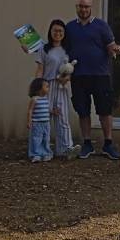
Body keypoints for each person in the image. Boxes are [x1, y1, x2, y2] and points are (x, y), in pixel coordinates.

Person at [65, 0, 120, 160]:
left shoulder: (101, 26)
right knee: (83, 111)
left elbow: (111, 45)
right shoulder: (70, 28)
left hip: (100, 75)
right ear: (77, 7)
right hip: (78, 76)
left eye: (86, 7)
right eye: (81, 6)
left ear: (91, 8)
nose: (84, 10)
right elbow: (59, 47)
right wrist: (33, 47)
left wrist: (116, 49)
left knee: (105, 110)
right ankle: (87, 144)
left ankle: (108, 144)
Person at [34, 19, 81, 159]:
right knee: (43, 118)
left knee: (62, 117)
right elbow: (40, 69)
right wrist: (37, 87)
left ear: (64, 33)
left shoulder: (68, 50)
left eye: (60, 31)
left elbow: (71, 70)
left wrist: (66, 79)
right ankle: (42, 150)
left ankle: (65, 149)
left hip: (62, 87)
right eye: (55, 30)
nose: (58, 33)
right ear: (50, 31)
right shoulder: (44, 49)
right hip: (46, 86)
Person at [26, 78, 53, 163]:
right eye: (46, 86)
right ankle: (36, 154)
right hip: (37, 123)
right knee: (36, 139)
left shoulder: (46, 98)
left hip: (46, 123)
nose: (48, 88)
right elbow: (30, 111)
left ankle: (46, 153)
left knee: (46, 139)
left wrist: (53, 111)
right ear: (39, 88)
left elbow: (47, 109)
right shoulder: (34, 99)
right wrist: (29, 121)